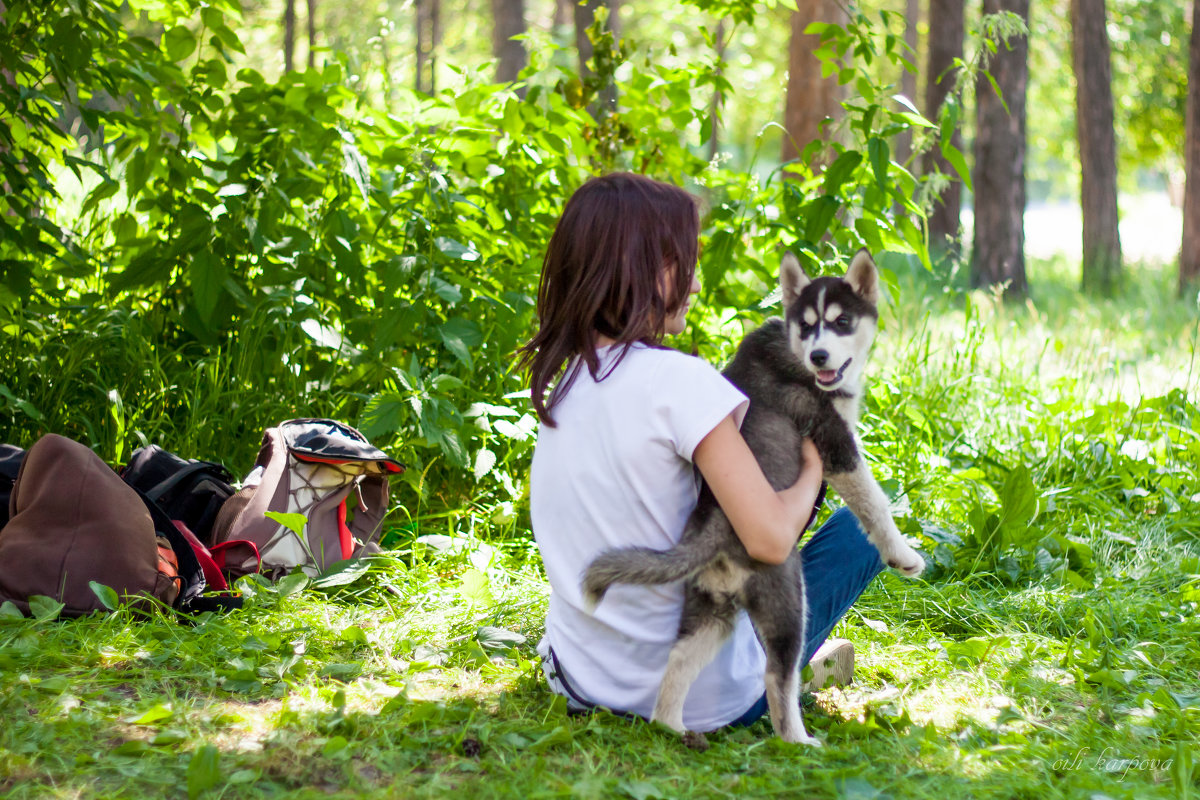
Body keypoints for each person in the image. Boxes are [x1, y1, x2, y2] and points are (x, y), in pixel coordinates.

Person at [518, 172, 884, 733]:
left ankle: (807, 665)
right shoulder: (681, 382)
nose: (693, 284)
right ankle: (797, 674)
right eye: (680, 265)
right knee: (863, 529)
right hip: (701, 697)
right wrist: (814, 467)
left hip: (579, 680)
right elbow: (768, 539)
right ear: (633, 270)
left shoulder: (567, 384)